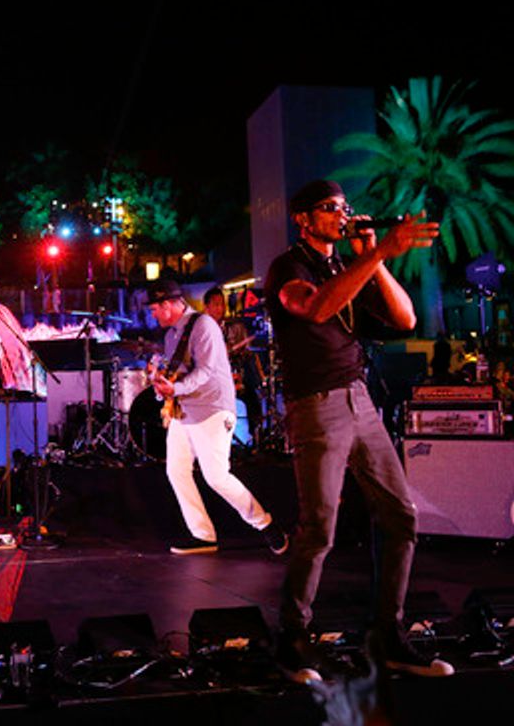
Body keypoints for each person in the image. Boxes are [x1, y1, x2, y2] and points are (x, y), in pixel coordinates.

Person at [265, 179, 452, 680]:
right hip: (315, 404)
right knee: (319, 528)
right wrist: (371, 257)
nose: (341, 215)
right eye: (329, 209)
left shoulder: (343, 265)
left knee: (401, 514)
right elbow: (317, 308)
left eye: (345, 207)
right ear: (302, 219)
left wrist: (378, 258)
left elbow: (406, 318)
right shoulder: (290, 266)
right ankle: (292, 638)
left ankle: (387, 635)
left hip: (359, 398)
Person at [146, 280, 288, 556]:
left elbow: (207, 370)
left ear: (168, 304)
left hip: (211, 408)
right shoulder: (171, 336)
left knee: (216, 476)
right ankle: (202, 534)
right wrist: (161, 385)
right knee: (175, 470)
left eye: (155, 309)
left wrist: (175, 388)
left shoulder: (203, 325)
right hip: (183, 410)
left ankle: (266, 525)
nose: (152, 315)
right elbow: (177, 374)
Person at [203, 286, 264, 441]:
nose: (220, 308)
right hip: (210, 381)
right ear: (207, 308)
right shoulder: (201, 330)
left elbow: (246, 353)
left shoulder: (235, 327)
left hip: (234, 376)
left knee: (251, 395)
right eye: (216, 304)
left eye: (222, 304)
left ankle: (254, 435)